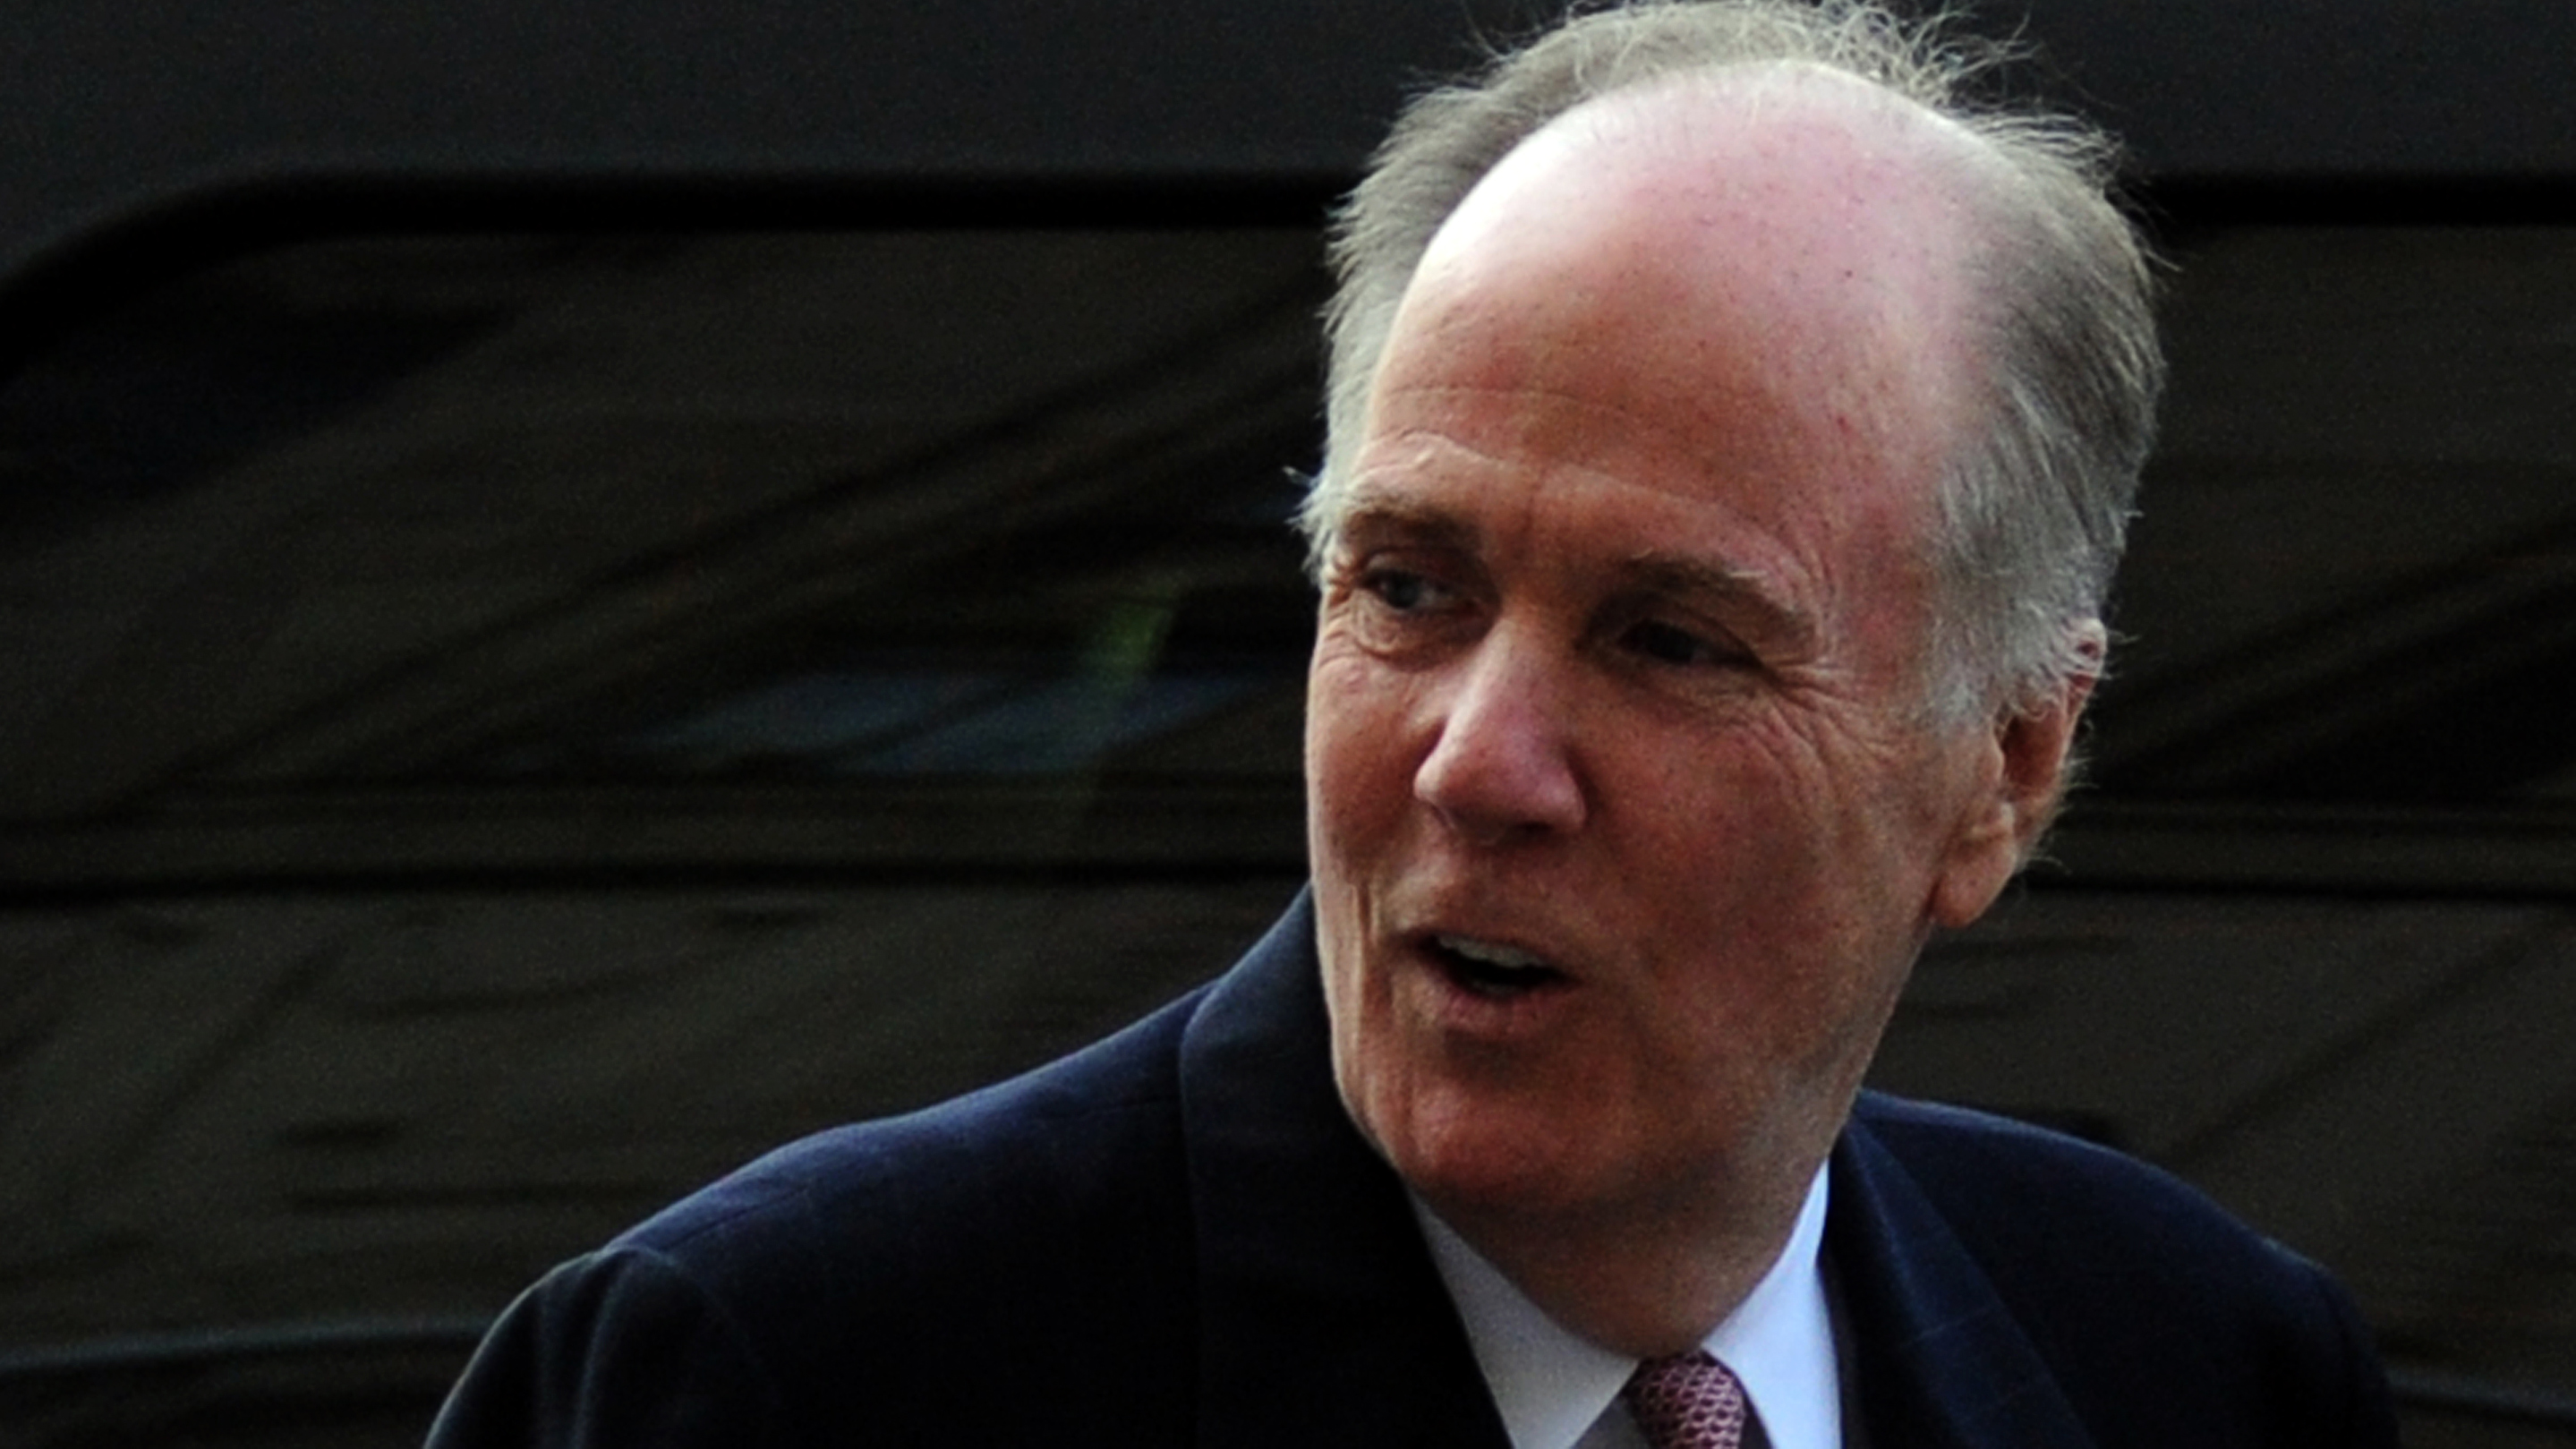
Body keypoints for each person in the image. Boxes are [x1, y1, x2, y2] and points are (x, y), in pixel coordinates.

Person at [427, 2, 2398, 1445]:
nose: (1475, 764)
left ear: (2003, 770)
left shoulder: (2193, 1363)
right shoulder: (783, 1379)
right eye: (1406, 590)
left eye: (1668, 643)